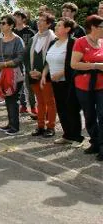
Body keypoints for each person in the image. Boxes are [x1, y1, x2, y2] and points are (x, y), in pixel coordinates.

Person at [41, 17, 84, 147]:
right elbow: (48, 61)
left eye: (59, 25)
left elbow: (75, 63)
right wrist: (44, 75)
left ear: (67, 29)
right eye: (57, 25)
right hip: (55, 82)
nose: (56, 27)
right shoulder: (53, 42)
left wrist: (61, 73)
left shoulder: (73, 43)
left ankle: (77, 138)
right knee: (61, 108)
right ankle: (67, 135)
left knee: (72, 108)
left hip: (69, 81)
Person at [70, 15, 103, 161]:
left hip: (101, 85)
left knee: (102, 116)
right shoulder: (81, 42)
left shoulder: (102, 42)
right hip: (84, 85)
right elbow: (74, 64)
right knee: (90, 116)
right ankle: (95, 142)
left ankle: (102, 147)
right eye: (102, 26)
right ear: (94, 27)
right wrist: (95, 66)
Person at [0, 15, 26, 136]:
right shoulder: (0, 40)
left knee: (13, 99)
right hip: (3, 72)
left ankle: (15, 127)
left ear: (11, 25)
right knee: (8, 98)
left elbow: (20, 57)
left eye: (4, 23)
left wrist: (5, 64)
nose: (1, 25)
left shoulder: (17, 40)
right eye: (0, 23)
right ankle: (10, 123)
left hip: (15, 73)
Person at [28, 12, 58, 138]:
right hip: (33, 75)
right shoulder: (33, 38)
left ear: (49, 24)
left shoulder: (54, 39)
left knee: (50, 102)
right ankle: (40, 126)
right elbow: (28, 58)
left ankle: (51, 127)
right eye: (38, 20)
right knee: (39, 102)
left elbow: (52, 59)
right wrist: (30, 71)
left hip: (47, 76)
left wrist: (42, 73)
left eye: (42, 20)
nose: (38, 22)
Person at [13, 9, 37, 116]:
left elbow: (34, 48)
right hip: (15, 62)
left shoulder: (30, 32)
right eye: (15, 17)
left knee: (29, 85)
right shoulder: (12, 32)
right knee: (18, 84)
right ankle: (22, 105)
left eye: (18, 17)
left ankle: (33, 106)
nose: (16, 19)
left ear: (23, 19)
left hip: (28, 62)